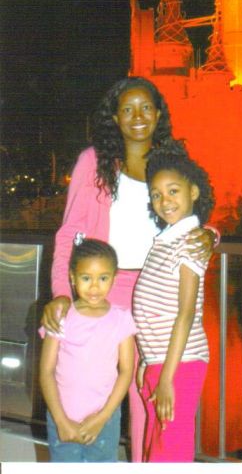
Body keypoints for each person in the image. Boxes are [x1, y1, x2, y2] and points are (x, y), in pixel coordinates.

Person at [40, 76, 218, 462]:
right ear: (115, 118)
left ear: (158, 113)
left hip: (160, 297)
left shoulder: (169, 162)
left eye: (145, 108)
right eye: (127, 109)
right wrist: (61, 293)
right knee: (91, 387)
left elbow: (193, 211)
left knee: (150, 402)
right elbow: (69, 231)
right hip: (106, 294)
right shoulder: (93, 162)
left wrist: (212, 235)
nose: (137, 117)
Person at [133, 141, 214, 462]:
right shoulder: (167, 239)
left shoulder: (189, 243)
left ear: (193, 192)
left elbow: (185, 314)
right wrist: (146, 361)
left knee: (171, 453)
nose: (164, 201)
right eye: (156, 194)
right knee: (158, 447)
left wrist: (166, 378)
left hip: (179, 365)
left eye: (173, 191)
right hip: (160, 361)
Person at [39, 237, 136, 463]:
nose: (94, 286)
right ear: (72, 278)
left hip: (105, 419)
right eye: (86, 278)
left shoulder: (121, 319)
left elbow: (126, 371)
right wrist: (61, 420)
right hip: (62, 415)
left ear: (114, 278)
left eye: (103, 278)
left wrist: (102, 418)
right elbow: (46, 371)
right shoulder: (60, 316)